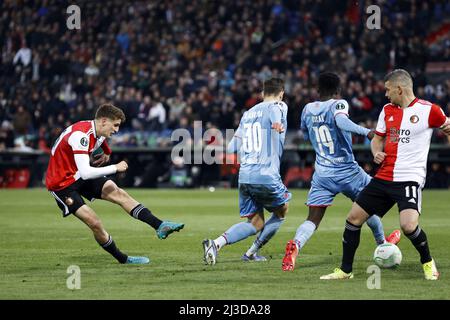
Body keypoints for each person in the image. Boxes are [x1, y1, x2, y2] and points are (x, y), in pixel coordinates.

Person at [320, 69, 449, 281]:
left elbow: (448, 128)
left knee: (408, 226)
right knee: (353, 219)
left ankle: (427, 262)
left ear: (400, 89)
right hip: (384, 177)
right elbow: (377, 139)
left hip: (409, 178)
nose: (386, 94)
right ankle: (345, 271)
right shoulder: (387, 110)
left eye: (388, 90)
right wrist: (376, 152)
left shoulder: (430, 110)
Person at [281, 72, 400, 272]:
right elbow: (341, 122)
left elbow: (304, 132)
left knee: (313, 218)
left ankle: (295, 245)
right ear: (338, 91)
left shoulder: (307, 109)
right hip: (348, 171)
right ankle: (382, 243)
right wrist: (367, 132)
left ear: (317, 90)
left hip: (322, 174)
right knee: (368, 204)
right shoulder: (339, 104)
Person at [45, 103, 184, 264]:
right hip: (62, 184)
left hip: (76, 173)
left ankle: (160, 226)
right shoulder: (81, 136)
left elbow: (100, 140)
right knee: (94, 222)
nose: (117, 130)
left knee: (118, 192)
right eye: (115, 125)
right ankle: (123, 259)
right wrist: (115, 168)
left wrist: (107, 152)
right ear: (104, 121)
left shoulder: (97, 129)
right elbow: (86, 172)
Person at [202, 78, 291, 264]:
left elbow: (233, 147)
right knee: (282, 211)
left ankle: (216, 244)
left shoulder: (248, 113)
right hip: (266, 174)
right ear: (281, 93)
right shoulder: (279, 106)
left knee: (256, 223)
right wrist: (276, 123)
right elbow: (275, 108)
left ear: (262, 93)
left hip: (244, 176)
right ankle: (251, 252)